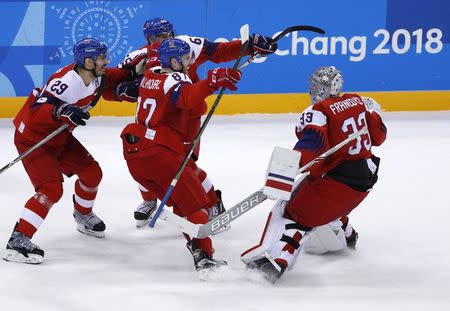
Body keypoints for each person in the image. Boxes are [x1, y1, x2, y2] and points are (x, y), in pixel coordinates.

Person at [118, 17, 278, 228]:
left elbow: (218, 52)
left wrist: (247, 46)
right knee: (146, 158)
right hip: (158, 120)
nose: (161, 40)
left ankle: (208, 204)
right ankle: (151, 200)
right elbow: (114, 83)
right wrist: (123, 90)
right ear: (148, 39)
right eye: (156, 37)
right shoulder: (139, 56)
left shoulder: (187, 45)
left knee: (184, 165)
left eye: (166, 35)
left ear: (173, 35)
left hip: (187, 117)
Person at [241, 66, 387, 283]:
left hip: (338, 180)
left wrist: (285, 172)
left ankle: (277, 262)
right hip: (363, 180)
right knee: (324, 202)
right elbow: (379, 137)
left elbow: (312, 147)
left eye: (316, 86)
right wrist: (373, 114)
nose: (313, 90)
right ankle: (348, 235)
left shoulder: (319, 111)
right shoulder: (357, 101)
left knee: (291, 212)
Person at [3, 38, 137, 264]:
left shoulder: (96, 76)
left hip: (59, 136)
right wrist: (61, 109)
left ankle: (83, 215)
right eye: (102, 58)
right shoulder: (65, 82)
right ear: (87, 61)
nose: (107, 61)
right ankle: (18, 239)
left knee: (93, 173)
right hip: (34, 137)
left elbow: (114, 76)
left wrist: (135, 72)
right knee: (51, 189)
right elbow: (37, 112)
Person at [120, 38, 242, 272]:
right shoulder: (175, 78)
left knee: (181, 202)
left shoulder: (150, 77)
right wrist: (211, 83)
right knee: (196, 207)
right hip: (159, 155)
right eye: (186, 59)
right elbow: (187, 98)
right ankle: (204, 257)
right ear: (174, 61)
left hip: (134, 155)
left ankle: (196, 245)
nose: (190, 63)